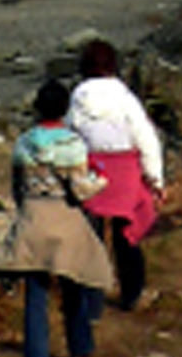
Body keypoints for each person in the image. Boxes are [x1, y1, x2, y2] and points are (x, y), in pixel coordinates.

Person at [0, 77, 117, 357]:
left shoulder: (22, 143)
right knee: (74, 286)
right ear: (64, 109)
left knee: (35, 297)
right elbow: (81, 191)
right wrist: (102, 180)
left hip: (33, 220)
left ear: (38, 108)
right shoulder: (73, 144)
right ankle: (80, 349)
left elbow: (17, 188)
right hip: (65, 222)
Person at [69, 39, 166, 311]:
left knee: (92, 237)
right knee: (127, 235)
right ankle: (131, 292)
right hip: (125, 170)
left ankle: (94, 298)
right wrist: (155, 178)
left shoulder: (78, 98)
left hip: (92, 168)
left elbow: (71, 134)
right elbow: (145, 138)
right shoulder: (125, 98)